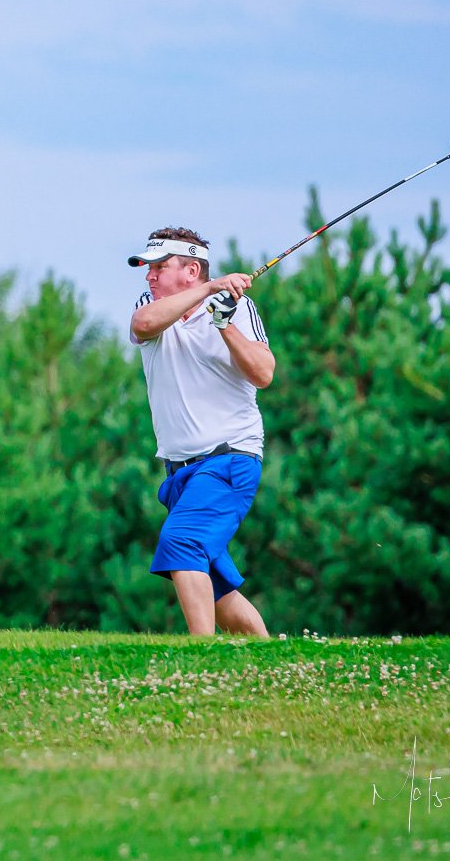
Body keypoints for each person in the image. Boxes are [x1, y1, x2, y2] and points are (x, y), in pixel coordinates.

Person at [127, 227, 274, 637]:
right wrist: (209, 289)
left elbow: (263, 374)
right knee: (217, 588)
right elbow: (143, 324)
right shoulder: (151, 306)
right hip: (178, 473)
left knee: (182, 544)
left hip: (229, 459)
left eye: (159, 267)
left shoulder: (240, 310)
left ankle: (199, 656)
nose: (149, 276)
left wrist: (224, 324)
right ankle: (270, 658)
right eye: (147, 268)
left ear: (190, 269)